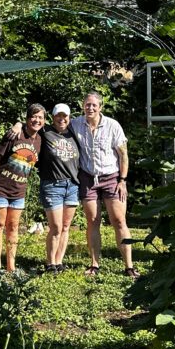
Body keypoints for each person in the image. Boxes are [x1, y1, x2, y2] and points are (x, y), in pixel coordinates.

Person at [69, 91, 138, 279]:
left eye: (94, 105)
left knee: (119, 220)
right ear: (83, 105)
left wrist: (122, 180)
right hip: (88, 178)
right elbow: (55, 126)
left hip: (111, 178)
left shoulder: (112, 126)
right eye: (87, 104)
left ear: (100, 107)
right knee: (93, 221)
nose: (90, 108)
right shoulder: (75, 124)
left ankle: (129, 266)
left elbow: (123, 155)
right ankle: (94, 264)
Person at [0, 104, 45, 273]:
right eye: (34, 116)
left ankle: (11, 265)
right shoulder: (15, 134)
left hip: (19, 191)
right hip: (1, 188)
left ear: (44, 121)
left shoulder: (40, 140)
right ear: (27, 118)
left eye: (40, 117)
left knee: (13, 226)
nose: (37, 120)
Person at [38, 103, 80, 273]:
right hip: (52, 184)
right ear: (53, 117)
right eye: (58, 116)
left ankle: (59, 261)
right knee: (55, 227)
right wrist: (18, 125)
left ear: (69, 118)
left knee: (65, 226)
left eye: (65, 116)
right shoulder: (45, 132)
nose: (62, 119)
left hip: (72, 185)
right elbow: (29, 125)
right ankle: (50, 263)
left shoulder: (74, 134)